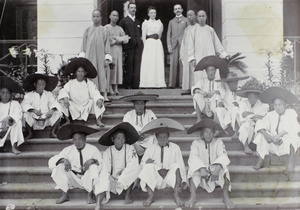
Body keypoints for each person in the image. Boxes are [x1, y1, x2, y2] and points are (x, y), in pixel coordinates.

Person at [185, 118, 235, 209]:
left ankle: (226, 197)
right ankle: (193, 197)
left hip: (214, 173)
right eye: (206, 132)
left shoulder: (218, 142)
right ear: (202, 134)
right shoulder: (196, 143)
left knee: (225, 169)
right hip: (201, 172)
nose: (208, 135)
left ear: (214, 133)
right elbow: (193, 157)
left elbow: (223, 155)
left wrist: (218, 167)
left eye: (211, 132)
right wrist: (201, 168)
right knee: (192, 170)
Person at [48, 124, 101, 204]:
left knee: (93, 167)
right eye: (75, 139)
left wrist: (92, 160)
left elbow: (101, 163)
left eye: (79, 139)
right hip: (73, 178)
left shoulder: (93, 149)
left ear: (85, 139)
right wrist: (63, 160)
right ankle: (65, 195)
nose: (77, 142)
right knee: (59, 166)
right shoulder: (68, 150)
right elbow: (51, 162)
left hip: (87, 178)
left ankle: (90, 194)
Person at [138, 118, 187, 206]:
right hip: (156, 179)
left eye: (165, 137)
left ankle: (176, 195)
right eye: (160, 137)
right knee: (148, 166)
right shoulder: (151, 148)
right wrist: (146, 163)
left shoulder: (175, 147)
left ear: (168, 137)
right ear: (156, 137)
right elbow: (142, 164)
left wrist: (183, 181)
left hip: (170, 178)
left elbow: (181, 165)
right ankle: (151, 195)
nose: (162, 139)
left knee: (176, 165)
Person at [253, 87, 300, 172]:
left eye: (280, 105)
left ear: (285, 105)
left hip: (284, 142)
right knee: (261, 134)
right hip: (272, 143)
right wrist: (268, 136)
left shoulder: (291, 112)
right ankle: (260, 160)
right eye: (275, 105)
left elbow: (293, 127)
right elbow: (260, 123)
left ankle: (291, 162)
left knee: (294, 136)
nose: (277, 107)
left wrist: (277, 137)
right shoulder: (271, 114)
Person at [94, 122, 140, 209]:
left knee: (136, 168)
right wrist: (109, 177)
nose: (121, 140)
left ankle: (128, 194)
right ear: (113, 139)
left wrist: (124, 174)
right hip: (113, 179)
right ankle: (98, 203)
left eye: (123, 138)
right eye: (118, 138)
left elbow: (133, 163)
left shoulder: (130, 148)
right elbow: (106, 170)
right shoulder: (108, 152)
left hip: (126, 178)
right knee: (103, 175)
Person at [58, 58, 105, 127]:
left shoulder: (88, 83)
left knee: (97, 100)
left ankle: (98, 119)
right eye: (78, 71)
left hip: (86, 106)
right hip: (73, 105)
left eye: (82, 71)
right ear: (76, 73)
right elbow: (64, 90)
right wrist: (65, 97)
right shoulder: (71, 82)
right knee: (62, 101)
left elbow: (94, 92)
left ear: (85, 73)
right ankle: (67, 120)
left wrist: (99, 99)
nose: (80, 73)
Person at [187, 10, 229, 81]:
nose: (201, 18)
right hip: (199, 57)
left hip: (210, 56)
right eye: (199, 16)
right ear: (197, 17)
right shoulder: (193, 31)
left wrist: (224, 54)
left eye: (203, 16)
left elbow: (217, 44)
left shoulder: (210, 30)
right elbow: (190, 46)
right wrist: (192, 58)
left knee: (211, 73)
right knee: (199, 76)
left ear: (206, 17)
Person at [81, 9, 111, 101]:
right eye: (94, 16)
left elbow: (107, 44)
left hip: (101, 57)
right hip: (90, 57)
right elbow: (84, 45)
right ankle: (92, 94)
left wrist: (107, 58)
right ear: (92, 17)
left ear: (101, 18)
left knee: (102, 75)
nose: (96, 18)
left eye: (98, 16)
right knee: (91, 75)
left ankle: (104, 94)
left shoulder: (104, 30)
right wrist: (83, 59)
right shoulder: (88, 30)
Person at [235, 78, 269, 154]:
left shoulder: (264, 105)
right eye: (249, 96)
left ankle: (259, 150)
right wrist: (254, 116)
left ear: (257, 96)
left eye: (253, 96)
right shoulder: (243, 103)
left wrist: (249, 114)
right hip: (247, 127)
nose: (251, 99)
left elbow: (263, 118)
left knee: (259, 126)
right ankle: (246, 147)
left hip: (258, 128)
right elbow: (242, 116)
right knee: (245, 125)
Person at [22, 73, 61, 140]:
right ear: (35, 84)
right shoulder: (29, 95)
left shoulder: (48, 94)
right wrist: (33, 110)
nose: (41, 86)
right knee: (25, 115)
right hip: (34, 119)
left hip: (46, 118)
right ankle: (30, 133)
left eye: (43, 84)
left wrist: (51, 111)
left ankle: (52, 132)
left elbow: (54, 103)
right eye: (39, 84)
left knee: (58, 113)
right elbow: (24, 104)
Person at [121, 92, 158, 156]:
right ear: (134, 105)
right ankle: (141, 153)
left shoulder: (150, 113)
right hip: (134, 139)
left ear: (144, 104)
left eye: (141, 103)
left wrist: (146, 133)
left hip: (147, 138)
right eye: (137, 104)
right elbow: (125, 128)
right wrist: (136, 135)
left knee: (153, 139)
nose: (139, 106)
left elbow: (155, 125)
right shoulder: (128, 115)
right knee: (128, 140)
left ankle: (148, 154)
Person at [192, 56, 226, 122]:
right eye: (209, 70)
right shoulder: (202, 81)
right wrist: (201, 92)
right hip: (204, 105)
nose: (210, 72)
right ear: (206, 72)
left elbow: (223, 91)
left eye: (212, 70)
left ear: (215, 71)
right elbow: (194, 89)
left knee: (218, 96)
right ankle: (199, 118)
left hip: (214, 104)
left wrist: (215, 91)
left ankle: (216, 119)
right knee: (197, 95)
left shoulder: (218, 81)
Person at [104, 10, 130, 96]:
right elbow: (107, 40)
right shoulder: (106, 28)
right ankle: (110, 87)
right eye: (113, 15)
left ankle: (116, 87)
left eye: (117, 16)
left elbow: (125, 39)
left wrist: (115, 38)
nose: (115, 17)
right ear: (110, 16)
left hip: (118, 50)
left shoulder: (120, 28)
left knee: (118, 68)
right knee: (111, 68)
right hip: (110, 51)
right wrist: (118, 39)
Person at [139, 6, 166, 88]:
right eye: (151, 13)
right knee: (149, 62)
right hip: (149, 44)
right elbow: (143, 36)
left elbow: (160, 35)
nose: (153, 14)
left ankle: (158, 83)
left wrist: (157, 41)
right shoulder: (145, 23)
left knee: (157, 62)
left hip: (157, 44)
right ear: (148, 14)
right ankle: (148, 83)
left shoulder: (159, 23)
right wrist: (145, 46)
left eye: (154, 13)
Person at [119, 2, 143, 89]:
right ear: (128, 9)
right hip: (129, 47)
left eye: (134, 8)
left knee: (137, 66)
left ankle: (135, 85)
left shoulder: (138, 21)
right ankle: (128, 85)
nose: (133, 9)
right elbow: (121, 34)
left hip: (137, 48)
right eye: (131, 8)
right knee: (129, 66)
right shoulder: (124, 21)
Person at [0, 76, 25, 154]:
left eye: (7, 93)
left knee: (17, 123)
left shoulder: (15, 103)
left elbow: (19, 113)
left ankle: (14, 147)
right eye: (3, 92)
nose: (5, 95)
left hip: (10, 126)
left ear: (10, 94)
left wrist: (9, 117)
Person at [167, 4, 189, 88]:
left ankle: (182, 83)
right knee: (173, 64)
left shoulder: (186, 20)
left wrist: (187, 44)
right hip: (174, 45)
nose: (177, 10)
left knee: (182, 63)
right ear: (173, 11)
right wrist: (169, 45)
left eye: (179, 8)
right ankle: (172, 84)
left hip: (183, 45)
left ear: (182, 10)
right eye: (175, 9)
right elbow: (168, 34)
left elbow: (188, 33)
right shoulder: (171, 21)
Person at [180, 10, 197, 95]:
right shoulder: (187, 29)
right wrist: (182, 54)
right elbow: (183, 43)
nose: (189, 17)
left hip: (196, 53)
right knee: (188, 70)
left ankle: (196, 88)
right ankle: (188, 88)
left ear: (195, 16)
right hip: (188, 54)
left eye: (191, 15)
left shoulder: (199, 28)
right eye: (188, 16)